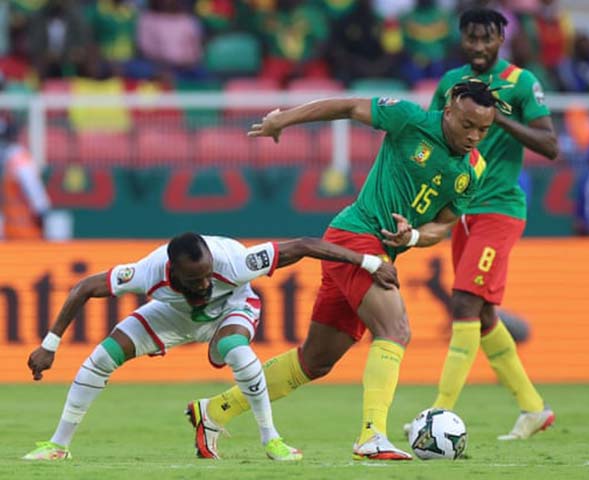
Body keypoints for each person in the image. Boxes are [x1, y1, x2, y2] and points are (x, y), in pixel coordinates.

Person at [186, 79, 499, 461]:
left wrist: (415, 236)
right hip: (355, 237)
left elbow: (445, 222)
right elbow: (347, 107)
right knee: (395, 329)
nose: (474, 136)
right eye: (467, 125)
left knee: (314, 361)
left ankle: (214, 411)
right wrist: (284, 119)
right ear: (449, 111)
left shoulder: (474, 169)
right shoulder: (410, 119)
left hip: (375, 247)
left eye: (483, 129)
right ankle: (372, 435)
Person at [22, 232, 399, 461]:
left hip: (232, 309)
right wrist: (50, 345)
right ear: (172, 271)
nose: (203, 284)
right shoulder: (149, 272)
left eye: (206, 276)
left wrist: (367, 262)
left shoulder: (235, 262)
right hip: (172, 314)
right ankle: (58, 445)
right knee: (100, 358)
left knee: (237, 349)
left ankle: (272, 439)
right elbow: (83, 288)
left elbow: (303, 246)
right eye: (193, 279)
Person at [423, 8, 559, 441]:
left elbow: (550, 144)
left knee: (463, 303)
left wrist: (497, 116)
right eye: (471, 38)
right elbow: (430, 134)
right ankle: (534, 409)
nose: (479, 47)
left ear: (501, 37)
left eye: (487, 38)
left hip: (499, 208)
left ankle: (437, 415)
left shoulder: (521, 83)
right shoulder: (451, 84)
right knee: (482, 316)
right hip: (461, 210)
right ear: (462, 38)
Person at [0, 113, 51, 240]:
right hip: (14, 229)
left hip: (25, 229)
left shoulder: (17, 158)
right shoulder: (9, 158)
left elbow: (33, 188)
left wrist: (41, 211)